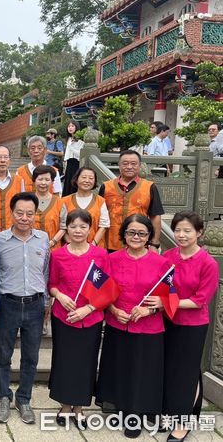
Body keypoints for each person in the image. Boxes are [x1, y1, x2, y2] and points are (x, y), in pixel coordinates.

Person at [96, 214, 172, 438]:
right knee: (119, 367)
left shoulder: (162, 262)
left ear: (149, 236)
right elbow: (100, 291)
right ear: (124, 234)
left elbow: (169, 297)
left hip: (148, 327)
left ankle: (136, 415)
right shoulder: (111, 259)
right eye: (131, 232)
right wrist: (113, 309)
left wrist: (149, 310)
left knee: (142, 371)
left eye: (141, 233)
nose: (136, 237)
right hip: (118, 323)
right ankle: (120, 406)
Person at [47, 209, 110, 430]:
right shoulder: (58, 255)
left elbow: (106, 290)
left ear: (90, 229)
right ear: (66, 229)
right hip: (63, 317)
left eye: (83, 226)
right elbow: (52, 284)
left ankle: (80, 407)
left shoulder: (100, 255)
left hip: (90, 318)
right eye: (73, 226)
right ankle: (65, 405)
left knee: (87, 362)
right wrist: (60, 295)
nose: (78, 230)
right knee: (64, 361)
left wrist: (89, 309)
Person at [162, 211, 219, 442]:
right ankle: (172, 411)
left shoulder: (208, 262)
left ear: (199, 233)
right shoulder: (167, 256)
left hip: (192, 324)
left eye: (187, 231)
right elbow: (160, 285)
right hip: (167, 320)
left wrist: (166, 302)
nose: (181, 235)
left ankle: (182, 423)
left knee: (186, 372)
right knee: (172, 369)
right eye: (177, 230)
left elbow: (200, 299)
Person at [0, 192, 49, 427]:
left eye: (29, 213)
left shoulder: (43, 238)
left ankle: (24, 398)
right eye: (19, 213)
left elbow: (45, 272)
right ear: (11, 213)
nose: (24, 218)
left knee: (31, 357)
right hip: (8, 303)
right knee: (3, 355)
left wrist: (46, 303)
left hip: (35, 304)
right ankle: (3, 396)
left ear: (35, 214)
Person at [99, 150, 164, 252]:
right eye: (125, 163)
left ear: (139, 166)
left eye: (133, 164)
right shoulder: (106, 187)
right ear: (119, 165)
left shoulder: (149, 187)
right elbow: (100, 216)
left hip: (139, 243)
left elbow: (155, 216)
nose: (129, 167)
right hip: (110, 243)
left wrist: (154, 243)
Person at [61, 167, 110, 247]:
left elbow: (104, 226)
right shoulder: (65, 201)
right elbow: (63, 226)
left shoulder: (100, 201)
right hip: (71, 248)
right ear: (76, 179)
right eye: (83, 177)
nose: (87, 181)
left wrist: (93, 245)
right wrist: (71, 244)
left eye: (91, 178)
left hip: (95, 247)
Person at [32, 165, 66, 250]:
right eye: (40, 179)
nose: (43, 183)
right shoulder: (27, 200)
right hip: (31, 248)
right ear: (34, 180)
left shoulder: (59, 202)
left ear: (52, 182)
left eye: (47, 180)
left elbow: (64, 227)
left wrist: (52, 242)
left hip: (54, 249)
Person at [62, 121, 84, 197]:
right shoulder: (69, 138)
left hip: (76, 163)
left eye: (72, 126)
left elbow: (80, 154)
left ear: (76, 127)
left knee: (74, 182)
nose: (70, 128)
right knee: (68, 182)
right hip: (69, 163)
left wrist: (72, 146)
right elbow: (67, 153)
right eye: (69, 126)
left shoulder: (80, 139)